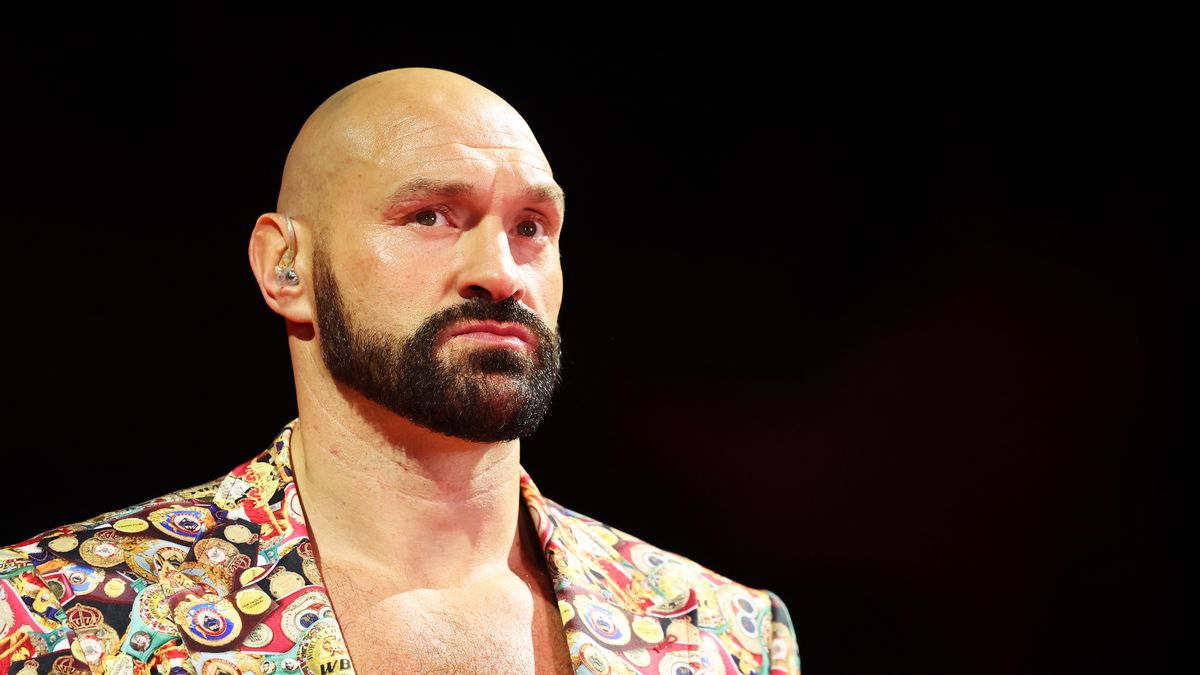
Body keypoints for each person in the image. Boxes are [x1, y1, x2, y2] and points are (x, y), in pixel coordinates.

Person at [0, 68, 802, 674]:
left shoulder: (721, 636)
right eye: (430, 216)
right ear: (286, 266)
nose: (500, 271)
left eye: (531, 226)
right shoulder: (55, 613)